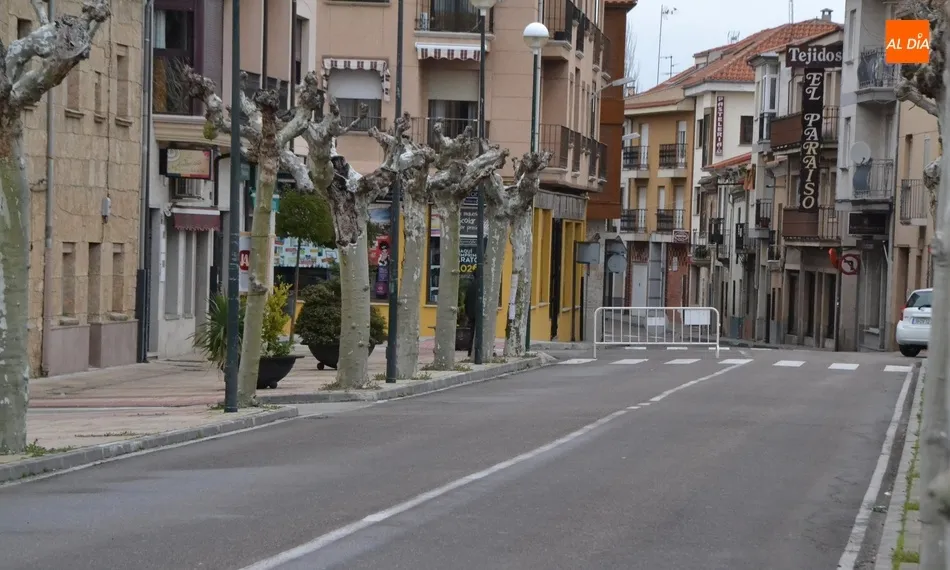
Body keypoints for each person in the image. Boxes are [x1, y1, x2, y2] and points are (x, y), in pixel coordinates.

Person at [464, 279, 477, 357]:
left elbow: (466, 300)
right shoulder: (483, 284)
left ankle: (470, 351)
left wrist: (467, 313)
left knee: (472, 332)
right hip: (479, 313)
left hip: (471, 313)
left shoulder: (470, 285)